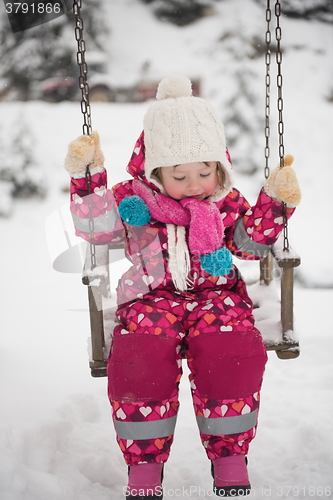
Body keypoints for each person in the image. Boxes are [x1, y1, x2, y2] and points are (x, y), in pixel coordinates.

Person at [64, 74, 301, 499]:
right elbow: (97, 230)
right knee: (139, 361)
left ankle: (229, 456)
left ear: (219, 167)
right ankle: (145, 467)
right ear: (154, 171)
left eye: (205, 172)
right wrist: (88, 179)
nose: (195, 185)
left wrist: (275, 204)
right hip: (149, 297)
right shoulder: (130, 199)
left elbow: (249, 245)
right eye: (180, 175)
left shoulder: (223, 202)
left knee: (232, 353)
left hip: (218, 297)